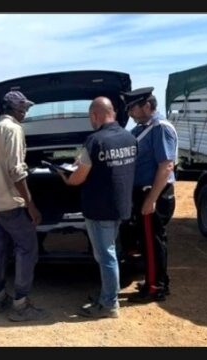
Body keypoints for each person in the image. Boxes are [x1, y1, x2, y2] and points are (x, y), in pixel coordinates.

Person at [55, 97, 137, 318]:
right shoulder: (129, 138)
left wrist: (65, 176)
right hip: (120, 207)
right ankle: (107, 294)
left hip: (99, 209)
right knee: (110, 252)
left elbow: (77, 179)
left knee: (105, 255)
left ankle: (109, 304)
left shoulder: (94, 141)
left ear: (95, 115)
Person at [0, 90, 48, 322]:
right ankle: (20, 304)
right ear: (14, 109)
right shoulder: (14, 130)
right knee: (27, 248)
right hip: (10, 203)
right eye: (23, 108)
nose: (26, 111)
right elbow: (16, 171)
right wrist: (31, 204)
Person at [123, 87, 178, 303]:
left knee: (152, 242)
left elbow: (166, 166)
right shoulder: (141, 129)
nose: (129, 113)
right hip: (144, 193)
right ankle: (153, 280)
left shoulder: (160, 128)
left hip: (153, 193)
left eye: (132, 108)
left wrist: (151, 200)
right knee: (147, 242)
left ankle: (156, 287)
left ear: (147, 105)